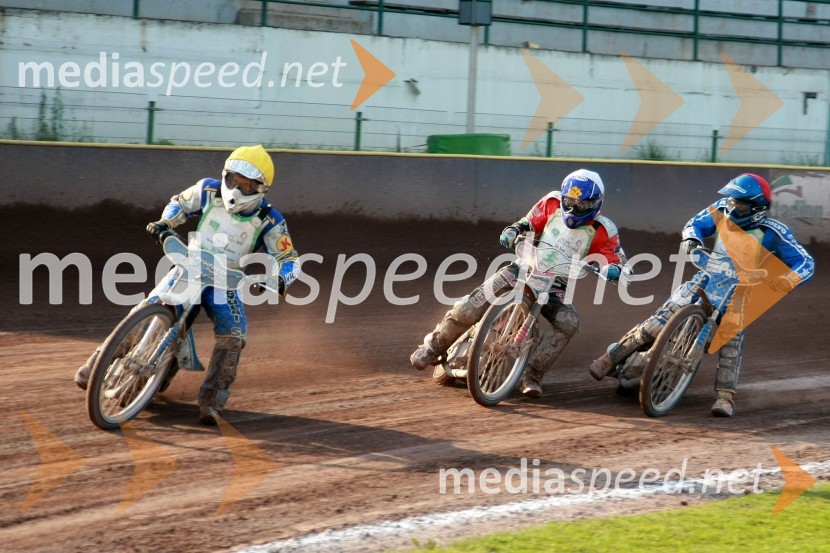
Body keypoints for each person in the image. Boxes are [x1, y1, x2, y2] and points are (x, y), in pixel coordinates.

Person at [74, 145, 300, 425]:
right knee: (148, 309)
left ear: (262, 188)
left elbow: (288, 257)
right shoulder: (207, 190)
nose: (238, 189)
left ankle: (212, 400)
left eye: (247, 185)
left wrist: (280, 278)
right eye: (234, 180)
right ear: (225, 175)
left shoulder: (270, 219)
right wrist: (165, 222)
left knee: (234, 335)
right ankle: (96, 364)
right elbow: (179, 203)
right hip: (190, 265)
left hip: (225, 282)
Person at [589, 173, 815, 417]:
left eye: (739, 204)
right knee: (658, 322)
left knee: (731, 340)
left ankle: (725, 397)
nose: (732, 207)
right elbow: (694, 224)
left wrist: (785, 280)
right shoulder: (720, 210)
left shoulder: (774, 232)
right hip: (705, 278)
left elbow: (806, 262)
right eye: (731, 201)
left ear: (757, 208)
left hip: (739, 293)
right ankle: (610, 358)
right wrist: (693, 241)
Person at [410, 169, 626, 398]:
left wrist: (614, 270)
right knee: (471, 306)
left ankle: (531, 375)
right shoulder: (552, 202)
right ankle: (433, 347)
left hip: (556, 284)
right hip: (524, 268)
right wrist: (513, 230)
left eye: (581, 205)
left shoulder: (604, 230)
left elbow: (619, 261)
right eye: (569, 201)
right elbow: (527, 223)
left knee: (569, 322)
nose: (573, 209)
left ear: (595, 203)